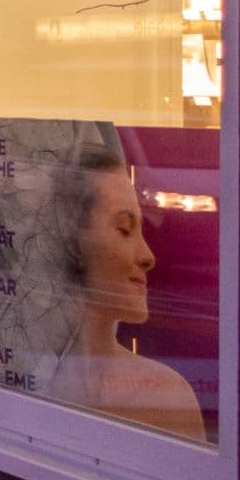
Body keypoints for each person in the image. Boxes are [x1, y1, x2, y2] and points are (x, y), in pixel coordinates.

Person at [40, 147, 205, 440]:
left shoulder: (168, 398)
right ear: (71, 241)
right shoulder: (26, 383)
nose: (147, 256)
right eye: (124, 229)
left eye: (140, 231)